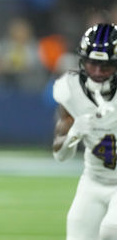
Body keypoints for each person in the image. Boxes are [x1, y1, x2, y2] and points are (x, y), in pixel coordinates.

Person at [52, 23, 117, 240]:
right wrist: (73, 135)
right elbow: (60, 155)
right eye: (92, 64)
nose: (97, 72)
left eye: (105, 66)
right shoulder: (71, 90)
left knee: (111, 229)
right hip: (93, 180)